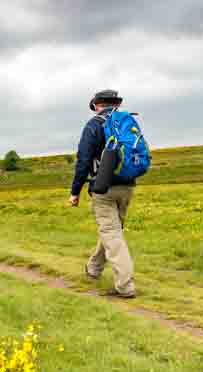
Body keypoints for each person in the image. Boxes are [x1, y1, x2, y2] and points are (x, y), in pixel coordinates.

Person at [68, 89, 137, 298]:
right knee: (111, 231)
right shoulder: (127, 122)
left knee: (111, 234)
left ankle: (125, 286)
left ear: (97, 105)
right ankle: (94, 268)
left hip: (103, 187)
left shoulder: (94, 125)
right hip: (128, 186)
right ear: (117, 104)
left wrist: (75, 191)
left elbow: (83, 160)